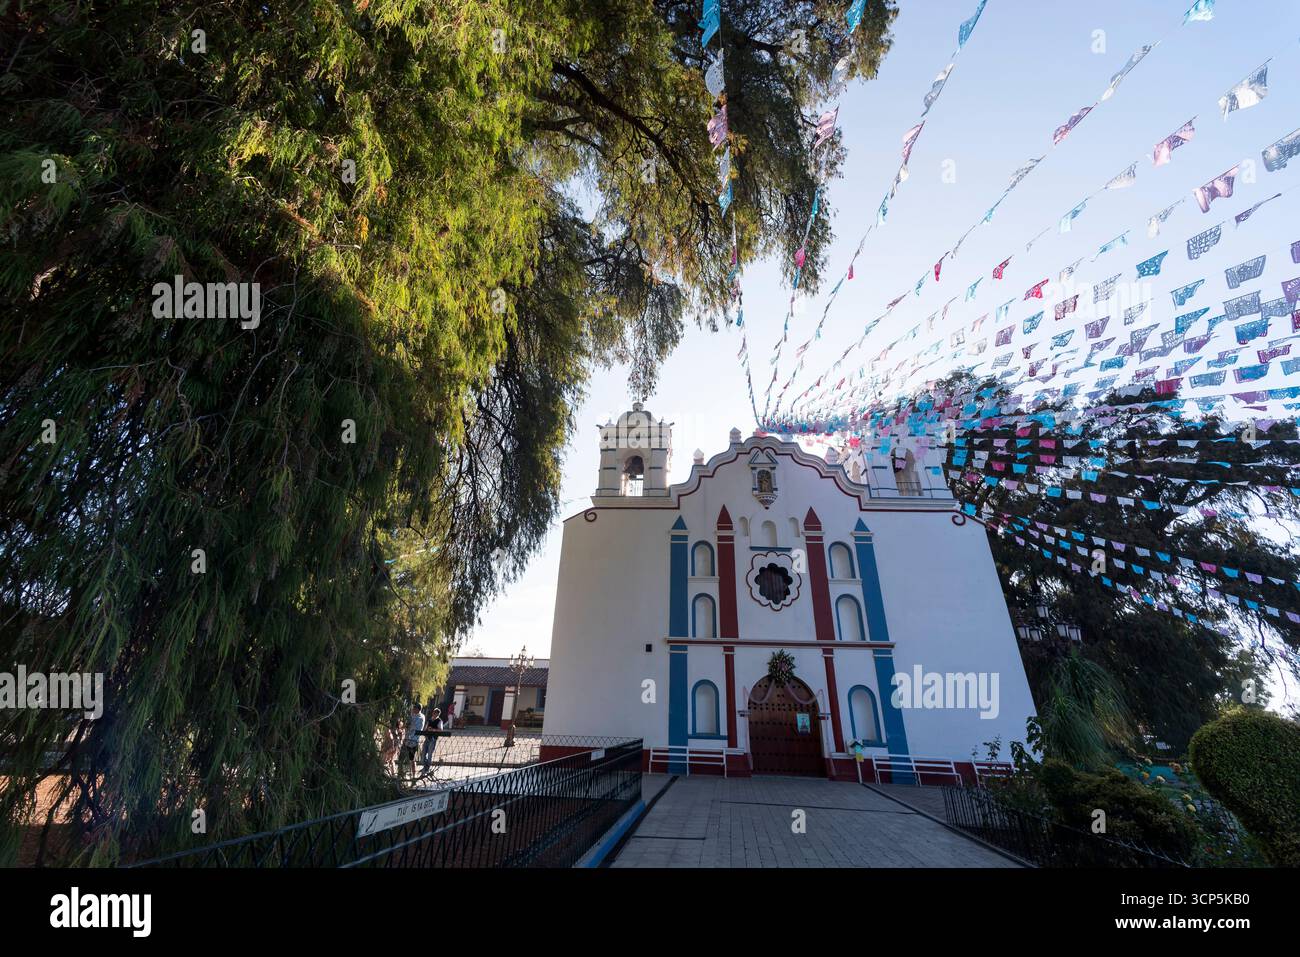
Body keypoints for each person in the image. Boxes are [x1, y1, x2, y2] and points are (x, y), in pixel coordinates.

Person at [400, 703, 424, 781]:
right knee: (402, 757)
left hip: (413, 741)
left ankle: (413, 776)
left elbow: (412, 727)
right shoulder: (412, 716)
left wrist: (407, 725)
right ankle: (401, 774)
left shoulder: (420, 717)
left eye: (414, 708)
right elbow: (406, 726)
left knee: (412, 759)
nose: (413, 710)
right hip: (407, 739)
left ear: (418, 709)